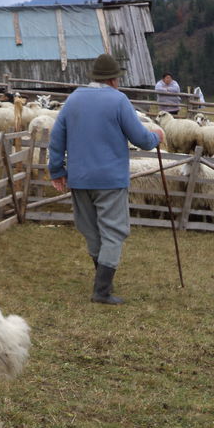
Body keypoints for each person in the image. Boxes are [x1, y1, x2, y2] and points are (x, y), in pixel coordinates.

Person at [48, 53, 164, 305]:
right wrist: (157, 136)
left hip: (79, 178)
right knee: (114, 231)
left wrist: (57, 171)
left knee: (91, 230)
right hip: (110, 178)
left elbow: (56, 137)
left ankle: (102, 283)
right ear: (113, 79)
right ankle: (102, 291)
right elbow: (142, 140)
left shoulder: (74, 99)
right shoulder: (118, 100)